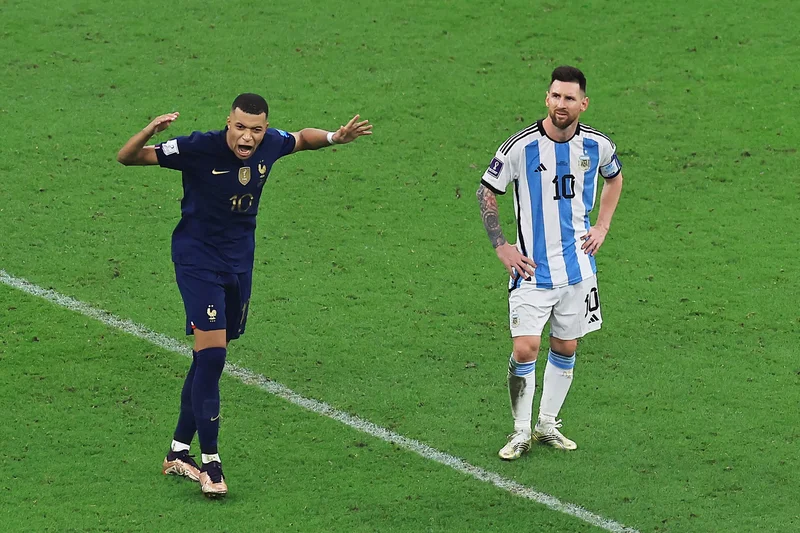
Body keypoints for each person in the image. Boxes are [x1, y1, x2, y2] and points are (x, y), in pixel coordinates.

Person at [116, 93, 372, 495]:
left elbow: (301, 138)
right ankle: (211, 464)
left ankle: (178, 451)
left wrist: (334, 138)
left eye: (255, 129)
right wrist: (149, 131)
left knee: (208, 357)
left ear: (264, 129)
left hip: (238, 265)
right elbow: (128, 157)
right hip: (197, 260)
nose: (247, 137)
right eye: (240, 127)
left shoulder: (271, 144)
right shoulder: (198, 147)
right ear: (228, 123)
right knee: (213, 356)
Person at [476, 66, 624, 460]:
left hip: (578, 268)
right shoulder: (520, 147)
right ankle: (520, 431)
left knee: (566, 345)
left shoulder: (598, 145)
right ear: (547, 98)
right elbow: (486, 191)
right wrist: (502, 246)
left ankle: (546, 424)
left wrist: (603, 226)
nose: (561, 104)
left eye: (569, 98)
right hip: (531, 269)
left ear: (583, 104)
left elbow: (615, 178)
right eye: (556, 96)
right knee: (526, 348)